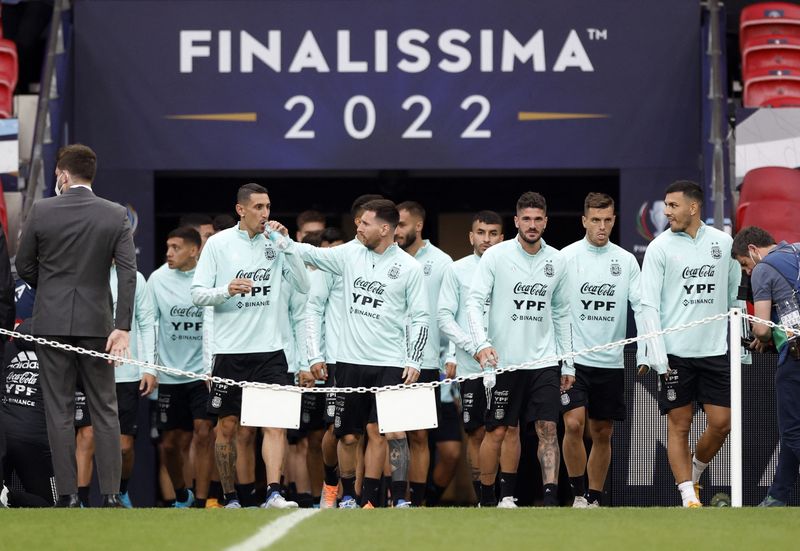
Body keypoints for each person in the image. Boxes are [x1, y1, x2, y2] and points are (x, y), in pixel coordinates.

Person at [16, 144, 137, 508]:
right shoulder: (115, 214)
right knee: (105, 408)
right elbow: (128, 273)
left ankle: (68, 495)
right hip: (99, 323)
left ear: (63, 175)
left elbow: (24, 266)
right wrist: (123, 326)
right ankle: (112, 495)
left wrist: (51, 290)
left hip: (51, 322)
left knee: (59, 410)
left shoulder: (41, 209)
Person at [297, 199, 429, 508]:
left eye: (365, 223)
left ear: (385, 229)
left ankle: (372, 499)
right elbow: (311, 254)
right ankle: (347, 495)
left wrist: (414, 359)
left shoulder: (409, 268)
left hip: (391, 362)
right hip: (349, 361)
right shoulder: (348, 254)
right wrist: (276, 237)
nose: (358, 227)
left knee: (380, 432)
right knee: (348, 436)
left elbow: (421, 317)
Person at [191, 183, 309, 509]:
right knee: (228, 428)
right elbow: (198, 294)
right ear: (241, 210)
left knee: (274, 425)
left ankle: (274, 492)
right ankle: (230, 497)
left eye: (268, 207)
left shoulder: (276, 243)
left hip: (270, 352)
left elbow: (303, 284)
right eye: (258, 207)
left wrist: (288, 246)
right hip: (229, 353)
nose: (265, 214)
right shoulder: (218, 244)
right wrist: (226, 290)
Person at [467, 191, 574, 508]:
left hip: (544, 361)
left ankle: (550, 500)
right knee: (499, 431)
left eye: (537, 219)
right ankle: (489, 498)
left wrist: (567, 364)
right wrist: (482, 344)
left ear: (545, 222)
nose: (532, 224)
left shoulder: (557, 261)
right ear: (516, 221)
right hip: (504, 361)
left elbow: (562, 313)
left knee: (548, 429)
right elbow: (474, 302)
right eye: (526, 218)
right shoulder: (496, 256)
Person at [640, 180, 741, 508]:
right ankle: (687, 497)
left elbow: (731, 293)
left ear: (694, 207)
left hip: (714, 351)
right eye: (666, 205)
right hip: (674, 355)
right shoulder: (659, 247)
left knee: (721, 424)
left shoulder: (723, 243)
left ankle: (694, 472)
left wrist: (737, 339)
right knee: (679, 424)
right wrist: (656, 354)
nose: (666, 211)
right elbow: (648, 305)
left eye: (672, 205)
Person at [559, 193, 647, 507]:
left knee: (603, 432)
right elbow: (554, 308)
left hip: (610, 362)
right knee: (573, 424)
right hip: (574, 360)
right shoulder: (565, 258)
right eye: (595, 220)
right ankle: (578, 494)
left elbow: (641, 306)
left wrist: (647, 350)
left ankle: (595, 497)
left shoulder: (625, 261)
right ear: (584, 220)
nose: (602, 226)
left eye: (607, 220)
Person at [74, 264, 157, 508]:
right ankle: (79, 501)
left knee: (123, 447)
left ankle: (119, 493)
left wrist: (149, 368)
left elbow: (146, 322)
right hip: (88, 371)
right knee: (87, 435)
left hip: (127, 373)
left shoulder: (134, 278)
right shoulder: (82, 272)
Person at [438, 210, 505, 503]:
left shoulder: (512, 267)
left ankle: (506, 496)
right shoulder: (457, 270)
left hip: (510, 364)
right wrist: (468, 348)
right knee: (476, 433)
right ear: (471, 236)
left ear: (502, 238)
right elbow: (445, 317)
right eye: (481, 233)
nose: (486, 239)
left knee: (504, 433)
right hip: (470, 366)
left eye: (492, 234)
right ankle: (482, 498)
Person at [731, 226, 800, 507]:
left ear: (752, 251)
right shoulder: (796, 249)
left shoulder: (762, 269)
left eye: (744, 265)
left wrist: (764, 337)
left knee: (792, 431)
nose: (748, 272)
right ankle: (777, 498)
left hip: (795, 359)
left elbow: (760, 329)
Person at [148, 227, 215, 508]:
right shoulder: (157, 279)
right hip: (169, 375)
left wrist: (211, 366)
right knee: (171, 445)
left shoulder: (208, 276)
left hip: (202, 374)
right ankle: (180, 494)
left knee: (203, 434)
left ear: (193, 250)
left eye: (175, 247)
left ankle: (201, 500)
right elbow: (149, 325)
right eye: (167, 247)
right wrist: (151, 368)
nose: (168, 253)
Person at [394, 200, 453, 506]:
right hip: (387, 358)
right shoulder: (383, 257)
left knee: (418, 436)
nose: (395, 230)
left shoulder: (442, 262)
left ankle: (416, 502)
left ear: (418, 226)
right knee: (389, 434)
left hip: (425, 361)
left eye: (401, 224)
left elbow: (450, 313)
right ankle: (389, 498)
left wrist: (451, 354)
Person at [1, 319, 56, 507]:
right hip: (34, 440)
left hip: (3, 435)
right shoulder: (58, 356)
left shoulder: (8, 349)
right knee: (55, 505)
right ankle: (9, 495)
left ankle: (5, 492)